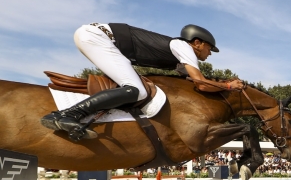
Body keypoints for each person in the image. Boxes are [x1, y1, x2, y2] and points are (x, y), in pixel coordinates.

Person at [41, 23, 243, 140]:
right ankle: (66, 115)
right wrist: (228, 86)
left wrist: (222, 82)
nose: (209, 53)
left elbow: (193, 81)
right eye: (209, 48)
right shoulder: (184, 47)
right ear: (197, 43)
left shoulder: (178, 54)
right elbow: (201, 83)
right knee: (137, 90)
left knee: (134, 87)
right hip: (97, 37)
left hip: (95, 36)